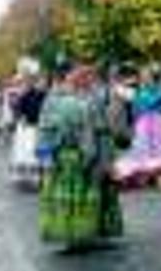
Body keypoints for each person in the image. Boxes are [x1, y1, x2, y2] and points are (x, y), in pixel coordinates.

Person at [37, 65, 123, 250]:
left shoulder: (92, 98)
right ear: (69, 77)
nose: (87, 80)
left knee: (93, 195)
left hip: (92, 152)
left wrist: (107, 157)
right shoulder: (55, 99)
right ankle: (73, 236)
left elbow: (104, 128)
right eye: (83, 76)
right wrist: (47, 155)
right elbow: (46, 128)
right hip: (69, 154)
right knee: (75, 197)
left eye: (88, 77)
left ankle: (91, 234)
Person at [10, 76, 47, 189]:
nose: (40, 85)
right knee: (26, 153)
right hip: (28, 128)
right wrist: (21, 117)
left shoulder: (43, 95)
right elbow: (18, 109)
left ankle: (39, 176)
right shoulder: (26, 95)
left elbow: (45, 109)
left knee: (38, 153)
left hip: (38, 127)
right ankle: (25, 177)